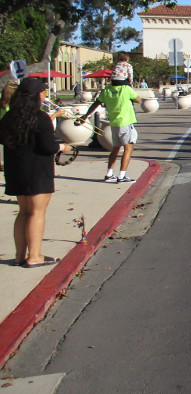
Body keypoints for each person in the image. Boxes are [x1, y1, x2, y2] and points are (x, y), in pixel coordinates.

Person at [0, 77, 71, 267]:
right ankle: (34, 256)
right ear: (38, 95)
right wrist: (63, 147)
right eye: (43, 91)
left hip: (16, 170)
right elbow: (48, 146)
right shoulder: (40, 118)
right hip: (37, 171)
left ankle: (19, 256)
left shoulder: (10, 116)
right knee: (36, 213)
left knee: (23, 212)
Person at [76, 78, 142, 183]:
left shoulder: (107, 90)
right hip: (125, 123)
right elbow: (138, 100)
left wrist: (86, 116)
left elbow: (96, 103)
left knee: (115, 149)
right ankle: (122, 176)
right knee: (128, 149)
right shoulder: (126, 89)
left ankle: (109, 174)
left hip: (114, 123)